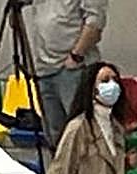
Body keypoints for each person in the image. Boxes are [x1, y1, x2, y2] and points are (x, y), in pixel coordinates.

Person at [26, 0, 108, 150]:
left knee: (83, 132)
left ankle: (86, 173)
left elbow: (95, 23)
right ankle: (61, 171)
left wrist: (76, 55)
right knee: (55, 135)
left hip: (74, 68)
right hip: (44, 69)